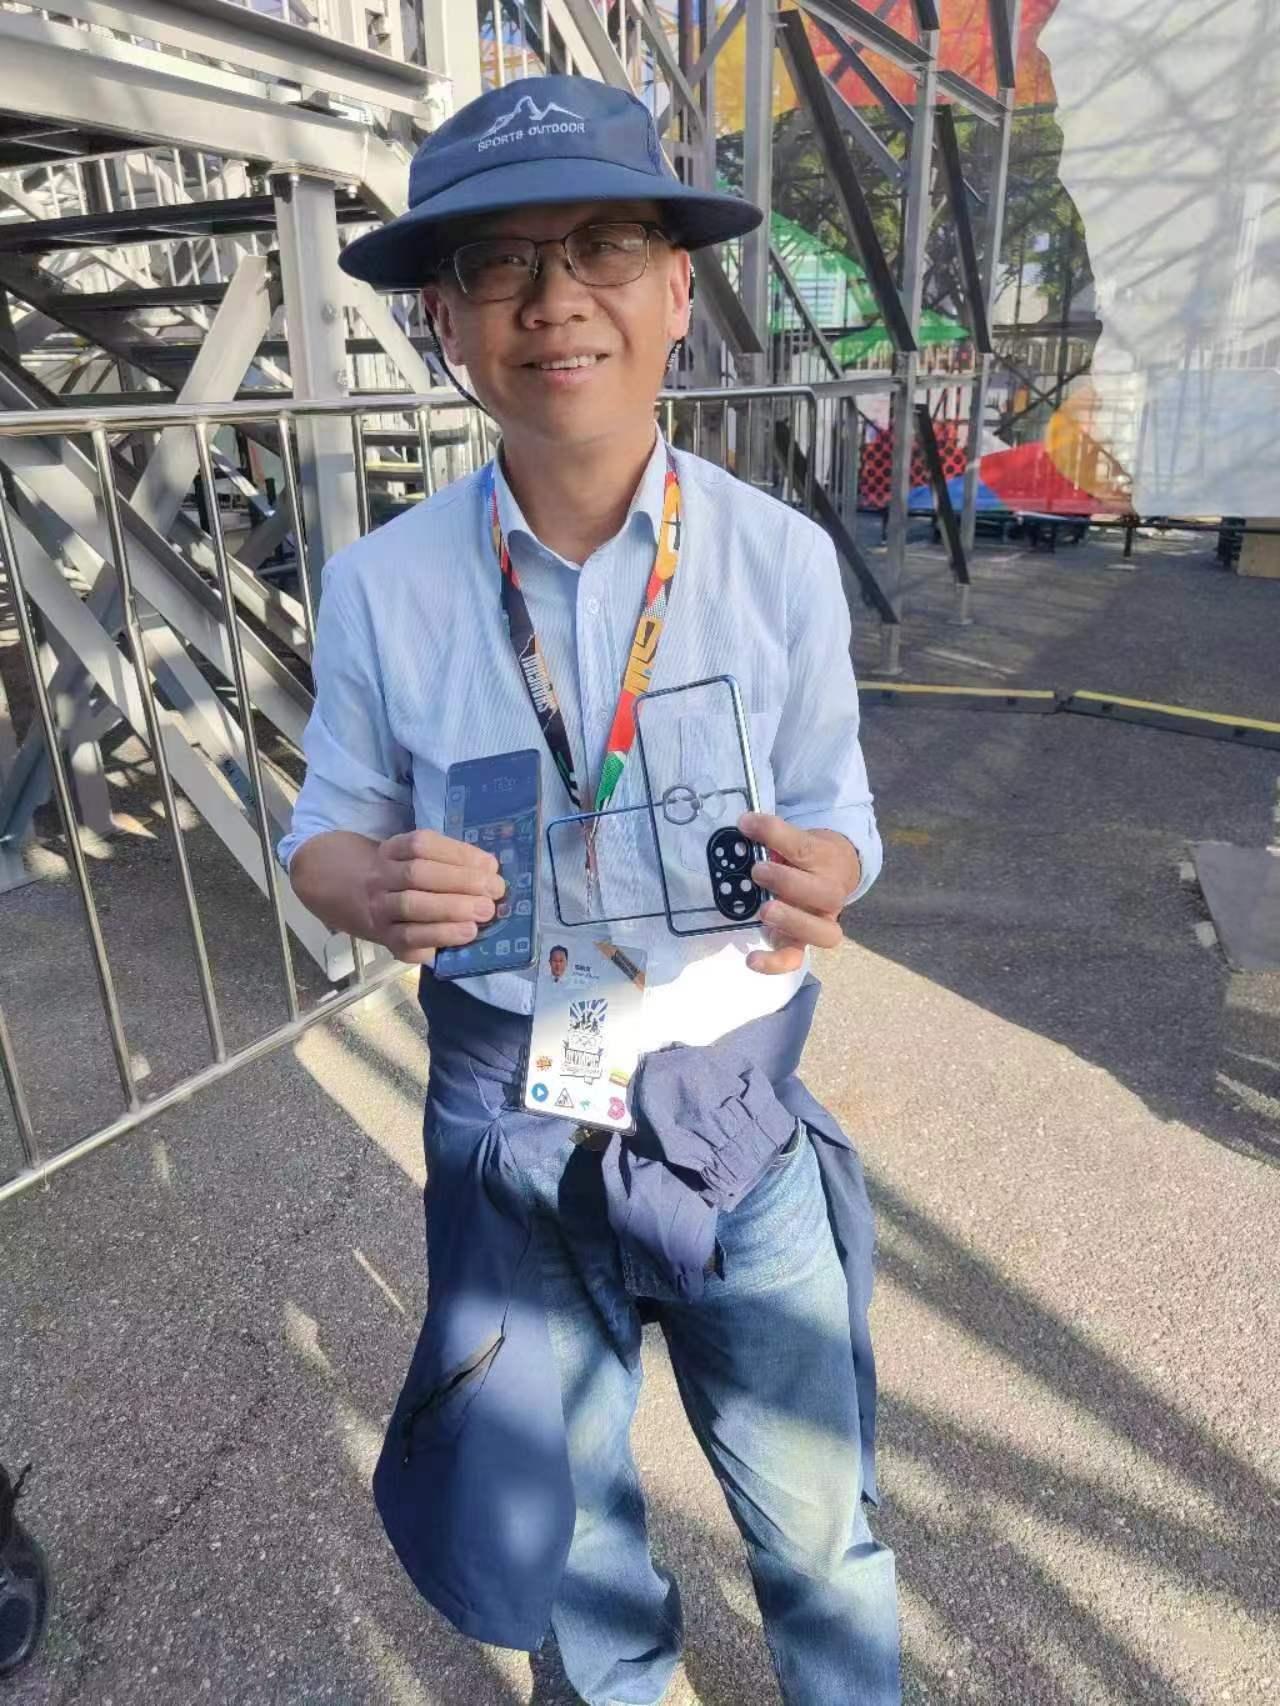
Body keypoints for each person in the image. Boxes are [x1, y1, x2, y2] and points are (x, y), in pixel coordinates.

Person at [281, 73, 899, 1706]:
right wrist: (371, 886)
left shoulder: (775, 561)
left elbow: (839, 805)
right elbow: (322, 834)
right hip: (509, 1118)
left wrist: (835, 863)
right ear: (445, 321)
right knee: (573, 1531)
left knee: (819, 1520)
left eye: (605, 245)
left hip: (731, 1111)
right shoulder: (383, 587)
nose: (554, 299)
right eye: (497, 262)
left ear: (678, 290)